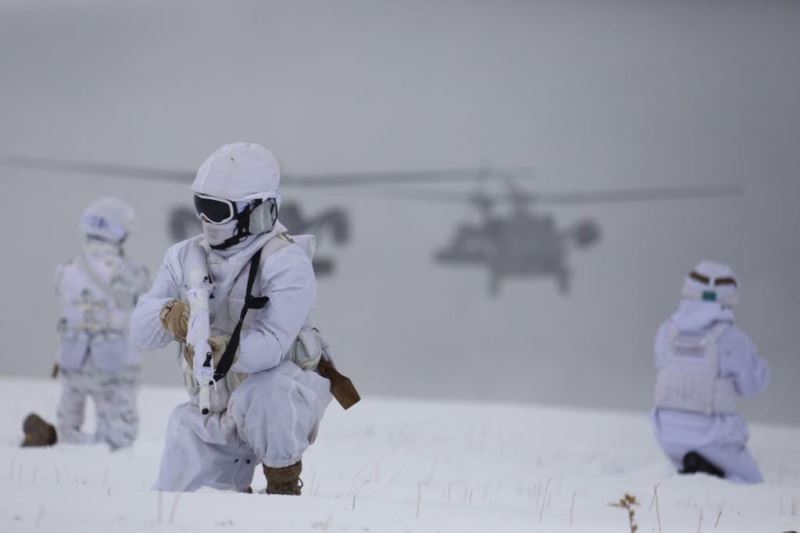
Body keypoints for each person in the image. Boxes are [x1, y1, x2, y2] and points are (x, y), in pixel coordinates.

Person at [130, 142, 358, 495]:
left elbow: (272, 345)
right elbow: (140, 331)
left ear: (256, 211)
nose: (205, 220)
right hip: (211, 405)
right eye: (201, 206)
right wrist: (170, 317)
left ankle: (282, 484)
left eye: (217, 210)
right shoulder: (185, 257)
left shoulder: (285, 262)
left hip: (279, 401)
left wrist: (224, 351)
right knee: (176, 503)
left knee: (267, 392)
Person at [22, 197, 150, 450]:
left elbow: (66, 309)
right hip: (114, 361)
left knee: (69, 425)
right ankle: (91, 452)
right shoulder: (131, 272)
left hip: (72, 356)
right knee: (120, 437)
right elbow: (144, 303)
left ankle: (61, 443)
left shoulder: (68, 269)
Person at [651, 260, 769, 483]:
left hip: (667, 433)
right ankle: (711, 471)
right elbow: (752, 385)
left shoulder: (666, 332)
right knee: (751, 485)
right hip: (714, 434)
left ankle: (696, 470)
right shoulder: (732, 340)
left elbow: (662, 366)